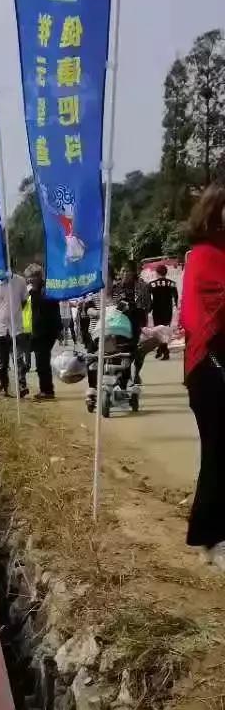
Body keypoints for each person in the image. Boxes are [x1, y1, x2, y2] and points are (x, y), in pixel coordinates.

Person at [179, 186, 225, 567]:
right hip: (210, 368)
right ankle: (211, 538)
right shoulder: (204, 256)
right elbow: (199, 314)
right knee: (218, 451)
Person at [0, 270, 28, 398]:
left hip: (17, 328)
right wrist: (1, 315)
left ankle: (22, 386)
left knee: (19, 359)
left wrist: (14, 313)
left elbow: (24, 301)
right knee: (2, 363)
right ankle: (3, 387)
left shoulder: (20, 281)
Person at [27, 264, 61, 400]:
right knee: (41, 361)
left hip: (46, 331)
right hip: (37, 330)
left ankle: (47, 391)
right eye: (28, 278)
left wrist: (33, 293)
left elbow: (47, 307)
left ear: (38, 276)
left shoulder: (46, 290)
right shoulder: (33, 291)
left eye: (31, 277)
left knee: (42, 362)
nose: (29, 280)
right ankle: (45, 389)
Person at [148, 263, 180, 359]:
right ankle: (160, 350)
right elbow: (176, 297)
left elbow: (148, 299)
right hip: (167, 310)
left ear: (157, 273)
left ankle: (165, 351)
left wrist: (149, 308)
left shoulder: (151, 284)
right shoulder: (172, 283)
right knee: (164, 331)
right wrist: (176, 307)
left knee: (158, 331)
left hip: (157, 310)